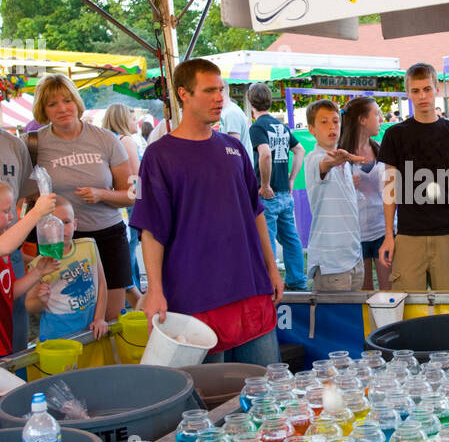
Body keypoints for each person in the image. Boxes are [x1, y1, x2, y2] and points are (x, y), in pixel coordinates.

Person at [132, 58, 283, 364]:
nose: (219, 98)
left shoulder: (234, 148)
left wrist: (272, 267)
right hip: (196, 297)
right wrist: (155, 291)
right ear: (184, 94)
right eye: (209, 90)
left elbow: (256, 213)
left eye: (221, 89)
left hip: (249, 289)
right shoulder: (159, 155)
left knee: (268, 388)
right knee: (212, 402)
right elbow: (151, 229)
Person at [29, 73, 133, 321]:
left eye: (67, 100)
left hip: (106, 236)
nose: (62, 108)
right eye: (52, 104)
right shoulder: (33, 144)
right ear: (43, 110)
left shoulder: (105, 139)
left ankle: (110, 361)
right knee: (67, 313)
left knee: (111, 317)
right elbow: (22, 193)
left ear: (77, 101)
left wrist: (102, 194)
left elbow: (130, 195)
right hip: (61, 241)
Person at [379, 63, 449, 291]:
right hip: (408, 235)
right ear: (407, 93)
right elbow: (390, 187)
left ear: (437, 89)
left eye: (427, 89)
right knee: (407, 308)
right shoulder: (394, 135)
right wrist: (389, 234)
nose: (422, 96)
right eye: (415, 91)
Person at [25, 196, 110, 341]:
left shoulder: (89, 245)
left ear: (75, 224)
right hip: (57, 335)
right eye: (54, 223)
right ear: (42, 229)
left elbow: (101, 284)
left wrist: (100, 318)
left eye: (66, 222)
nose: (61, 228)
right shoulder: (40, 265)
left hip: (90, 329)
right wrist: (41, 301)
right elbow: (29, 305)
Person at [247, 82, 305, 291]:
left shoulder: (257, 127)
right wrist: (291, 179)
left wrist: (264, 184)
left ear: (251, 102)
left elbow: (264, 154)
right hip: (284, 193)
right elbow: (299, 150)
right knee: (291, 238)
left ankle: (268, 283)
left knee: (266, 239)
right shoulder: (281, 126)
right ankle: (297, 280)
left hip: (267, 194)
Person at [304, 99, 365, 291]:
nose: (332, 126)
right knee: (331, 320)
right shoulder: (314, 159)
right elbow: (324, 164)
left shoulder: (344, 164)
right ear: (311, 129)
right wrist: (336, 160)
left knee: (354, 319)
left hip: (354, 258)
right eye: (324, 122)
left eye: (335, 121)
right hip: (331, 263)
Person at [0, 182, 59, 357]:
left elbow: (9, 291)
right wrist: (36, 212)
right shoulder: (5, 245)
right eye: (5, 211)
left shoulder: (5, 247)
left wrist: (37, 273)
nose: (11, 217)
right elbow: (5, 246)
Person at [338, 95, 390, 291]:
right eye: (376, 114)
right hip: (355, 234)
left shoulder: (381, 150)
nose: (381, 119)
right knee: (363, 293)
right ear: (362, 119)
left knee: (389, 292)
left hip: (383, 230)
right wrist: (345, 185)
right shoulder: (340, 154)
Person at [103, 103, 144, 293]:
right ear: (123, 119)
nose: (136, 122)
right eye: (133, 118)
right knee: (130, 251)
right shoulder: (126, 140)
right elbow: (137, 176)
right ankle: (133, 293)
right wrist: (144, 202)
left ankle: (130, 291)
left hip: (114, 202)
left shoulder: (107, 140)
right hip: (130, 201)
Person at [0, 124, 33, 351]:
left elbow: (22, 194)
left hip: (12, 251)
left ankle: (18, 379)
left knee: (16, 312)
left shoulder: (14, 144)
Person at [217, 77, 254, 164]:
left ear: (221, 90)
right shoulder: (227, 111)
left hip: (239, 171)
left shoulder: (231, 113)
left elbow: (233, 150)